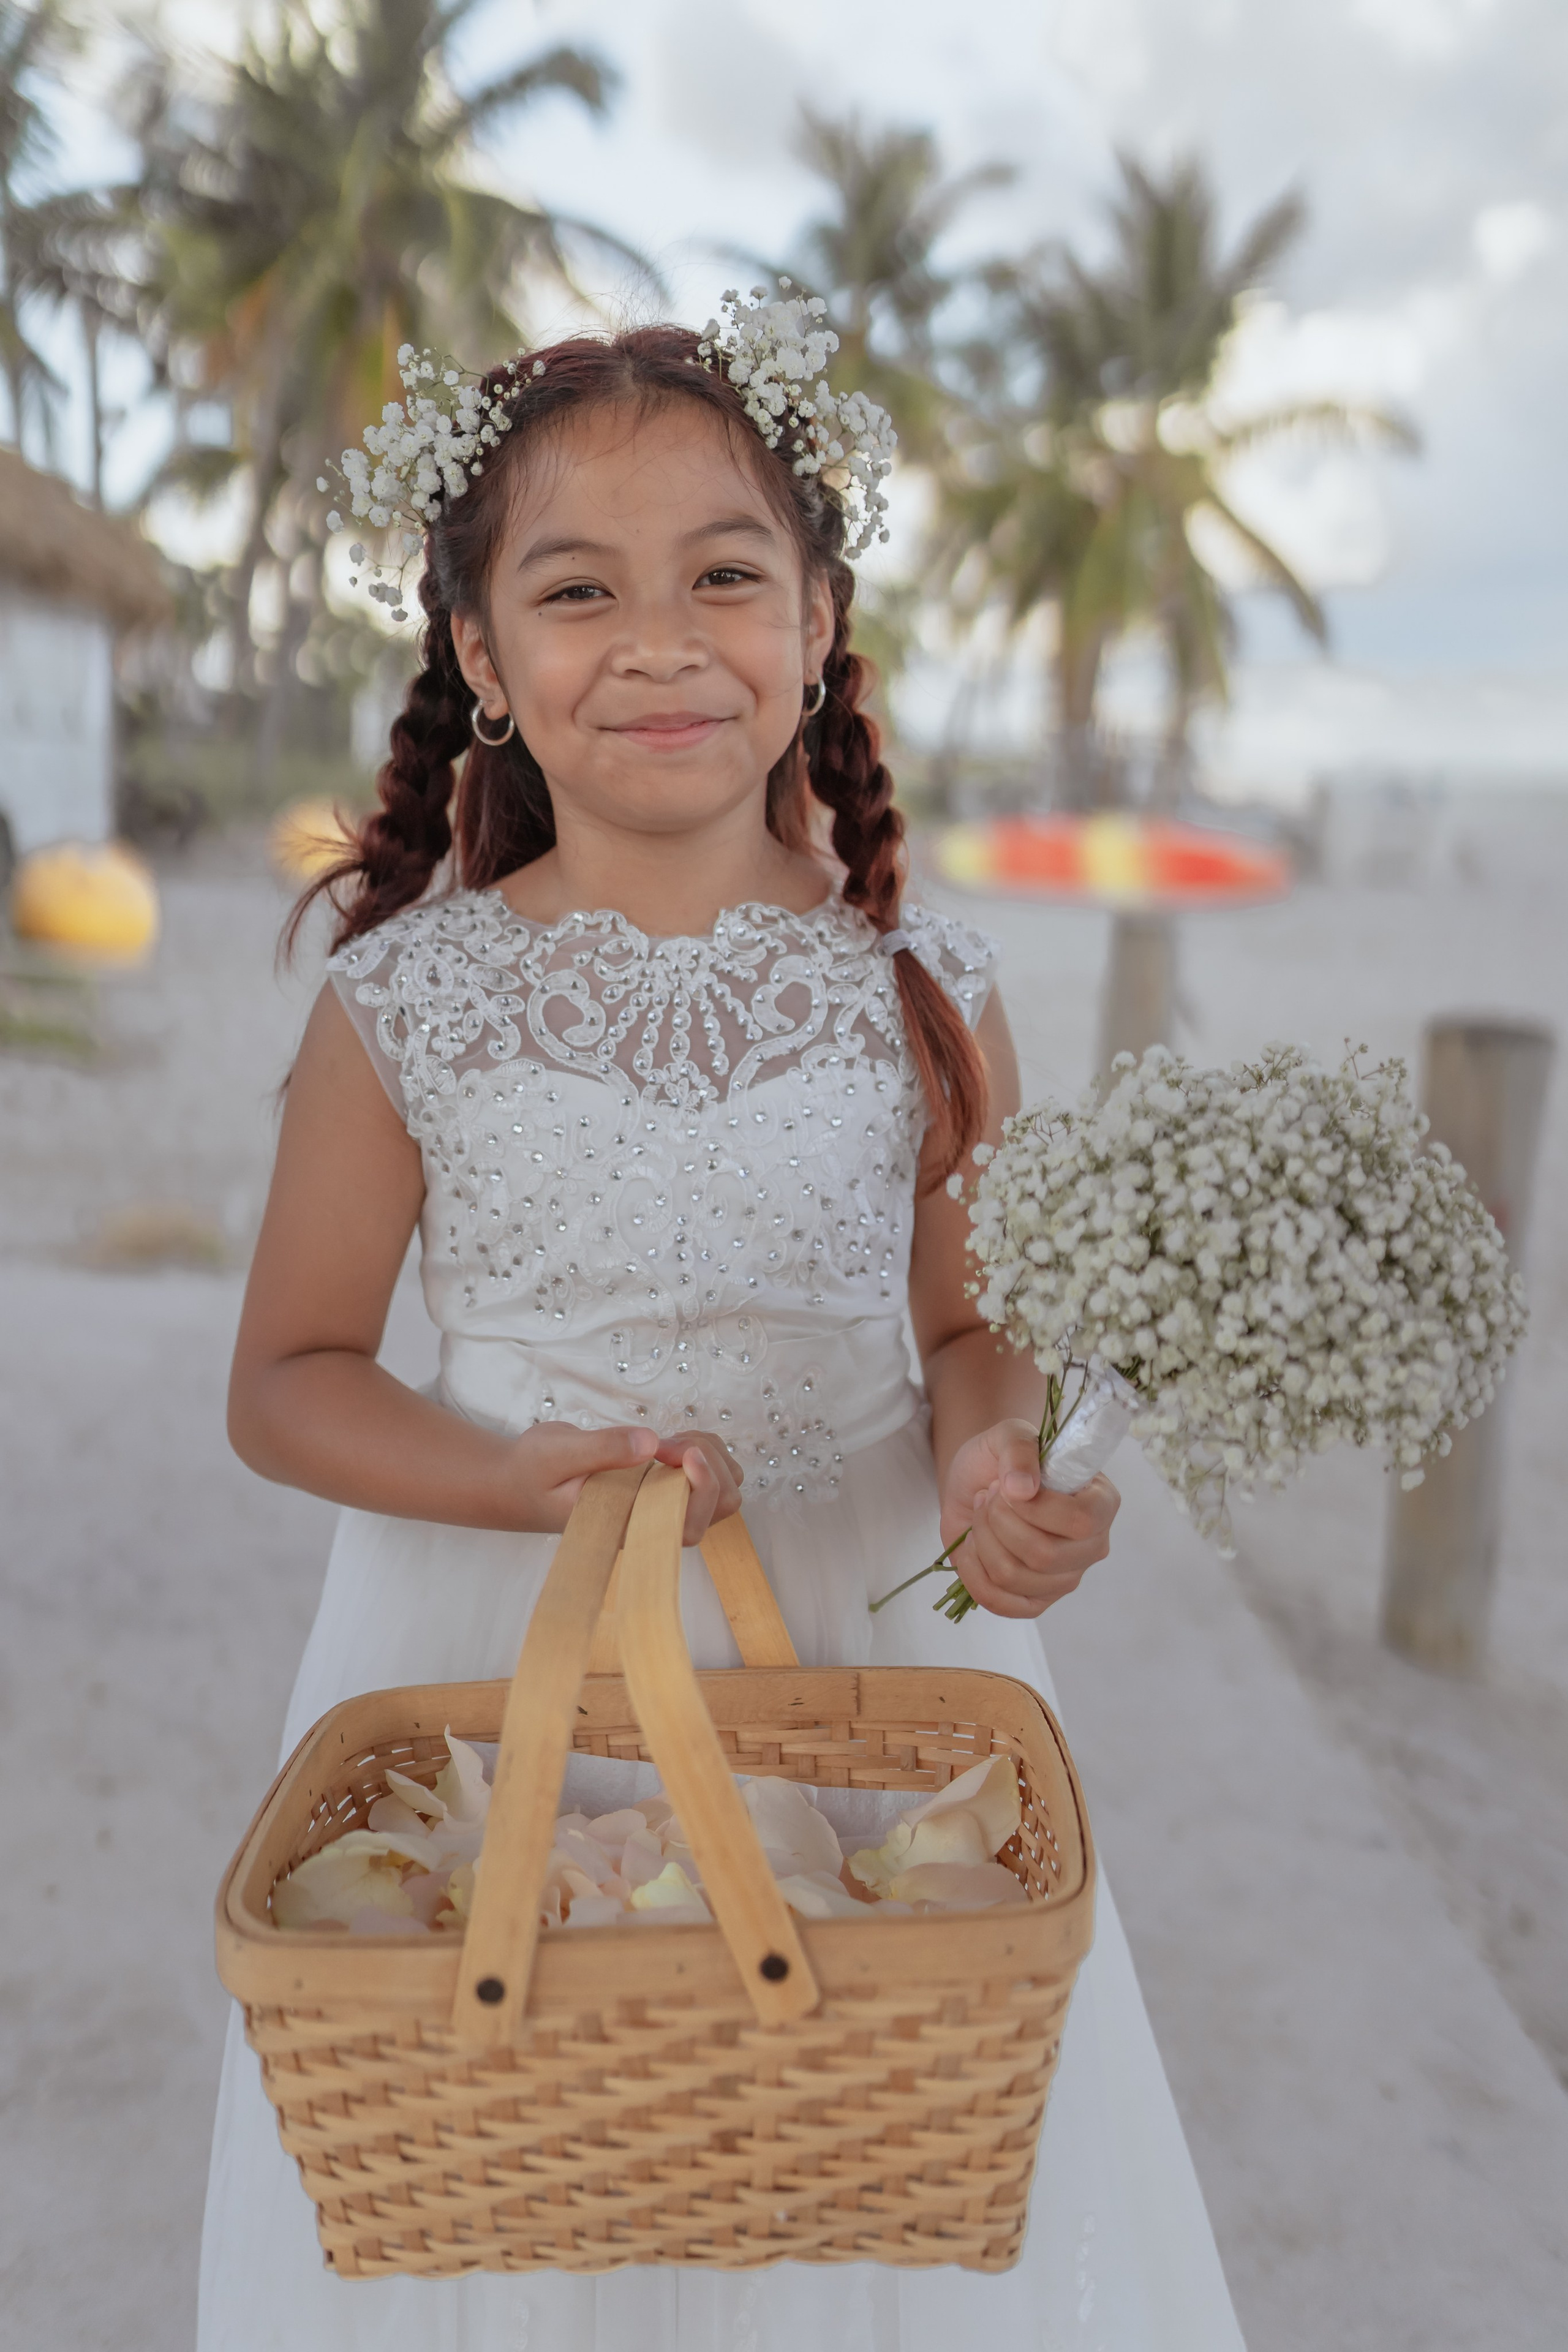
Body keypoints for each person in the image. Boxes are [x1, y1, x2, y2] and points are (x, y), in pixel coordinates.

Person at [198, 305, 1245, 2350]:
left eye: (727, 576)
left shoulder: (921, 979)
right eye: (579, 591)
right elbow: (287, 1377)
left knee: (869, 2140)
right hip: (496, 1622)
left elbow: (973, 1329)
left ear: (822, 619)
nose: (661, 640)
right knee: (522, 2150)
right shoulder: (409, 1001)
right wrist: (504, 1473)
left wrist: (988, 1456)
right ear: (487, 662)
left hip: (868, 1632)